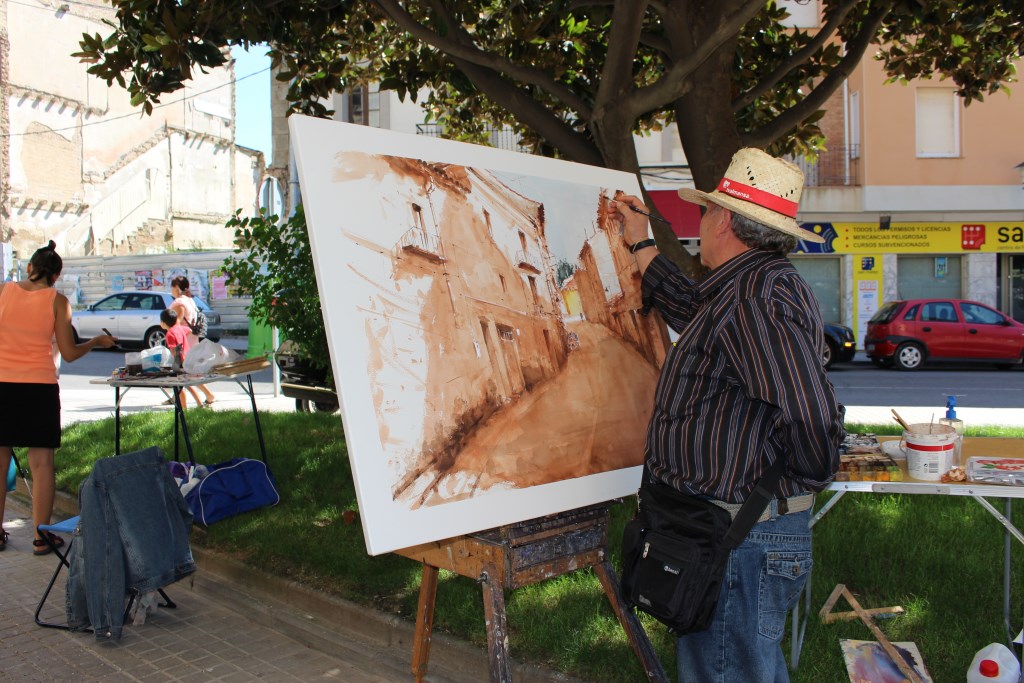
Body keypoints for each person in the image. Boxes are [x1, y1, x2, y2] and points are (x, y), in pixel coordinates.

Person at [612, 148, 844, 683]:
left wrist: (795, 483)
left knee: (729, 671)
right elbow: (694, 312)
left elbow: (808, 413)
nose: (701, 221)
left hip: (743, 538)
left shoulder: (756, 296)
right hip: (731, 533)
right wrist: (643, 244)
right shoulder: (743, 289)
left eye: (708, 211)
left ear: (726, 222)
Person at [0, 241, 117, 554]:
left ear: (30, 267)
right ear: (57, 274)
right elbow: (68, 352)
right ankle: (41, 537)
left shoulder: (3, 292)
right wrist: (97, 341)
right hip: (38, 388)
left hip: (2, 384)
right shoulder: (58, 302)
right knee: (41, 464)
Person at [169, 275, 215, 407]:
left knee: (184, 373)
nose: (171, 290)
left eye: (172, 287)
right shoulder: (190, 300)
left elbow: (176, 322)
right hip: (192, 339)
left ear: (176, 287)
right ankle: (206, 396)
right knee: (190, 372)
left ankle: (193, 403)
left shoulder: (179, 303)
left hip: (183, 342)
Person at [160, 308, 203, 409]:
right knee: (189, 384)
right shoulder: (179, 327)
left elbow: (173, 350)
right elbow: (188, 330)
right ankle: (200, 404)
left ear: (163, 323)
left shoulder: (170, 333)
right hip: (188, 359)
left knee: (179, 387)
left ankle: (184, 409)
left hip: (180, 362)